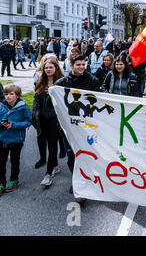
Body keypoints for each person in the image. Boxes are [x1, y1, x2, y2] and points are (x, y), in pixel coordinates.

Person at [55, 54, 103, 205]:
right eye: (78, 65)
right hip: (69, 128)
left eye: (83, 64)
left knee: (88, 155)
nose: (82, 67)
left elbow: (101, 98)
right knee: (72, 156)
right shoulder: (62, 83)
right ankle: (77, 181)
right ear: (71, 65)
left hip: (88, 128)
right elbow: (55, 104)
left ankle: (86, 180)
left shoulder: (93, 81)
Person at [32, 60, 64, 187]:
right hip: (42, 119)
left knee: (52, 145)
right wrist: (34, 117)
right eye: (46, 68)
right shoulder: (40, 82)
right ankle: (54, 165)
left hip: (54, 120)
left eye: (51, 67)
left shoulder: (61, 83)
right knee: (42, 141)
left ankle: (48, 174)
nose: (48, 70)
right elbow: (36, 102)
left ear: (56, 68)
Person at [0, 84, 32, 195]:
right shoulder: (1, 106)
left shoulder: (23, 107)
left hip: (16, 140)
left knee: (14, 161)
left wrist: (13, 125)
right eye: (6, 94)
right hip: (2, 139)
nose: (8, 96)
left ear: (17, 96)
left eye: (11, 94)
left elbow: (28, 121)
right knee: (1, 162)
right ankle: (1, 183)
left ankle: (14, 180)